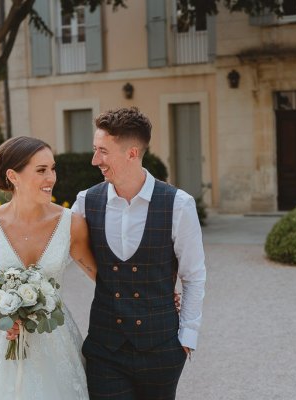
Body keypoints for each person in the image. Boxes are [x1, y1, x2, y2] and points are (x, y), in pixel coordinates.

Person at [71, 107, 206, 399]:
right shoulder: (85, 202)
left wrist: (186, 339)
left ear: (132, 153)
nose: (95, 160)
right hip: (105, 349)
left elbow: (194, 276)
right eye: (96, 150)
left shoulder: (178, 205)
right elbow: (62, 250)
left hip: (162, 350)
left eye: (103, 151)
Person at [0, 136, 97, 400]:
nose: (52, 178)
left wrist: (156, 291)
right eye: (41, 170)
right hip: (2, 342)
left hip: (55, 340)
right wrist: (0, 318)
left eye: (53, 168)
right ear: (13, 176)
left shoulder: (71, 224)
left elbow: (100, 277)